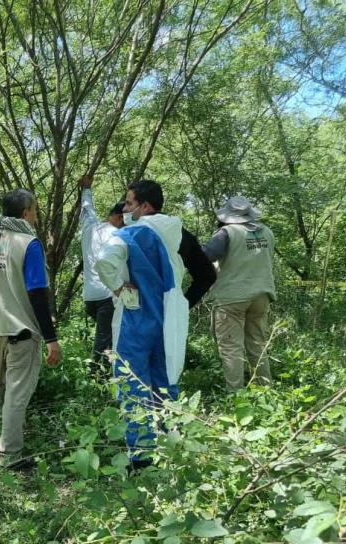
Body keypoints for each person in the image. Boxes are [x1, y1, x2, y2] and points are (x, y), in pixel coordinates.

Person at [95, 179, 215, 470]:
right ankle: (170, 448)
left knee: (133, 385)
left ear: (145, 206)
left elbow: (104, 261)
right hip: (169, 323)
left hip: (134, 322)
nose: (124, 209)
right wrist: (182, 303)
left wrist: (120, 288)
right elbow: (207, 276)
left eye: (128, 203)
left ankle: (141, 458)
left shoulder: (129, 234)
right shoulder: (180, 234)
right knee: (166, 383)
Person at [0, 188, 62, 470]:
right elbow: (37, 293)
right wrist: (51, 339)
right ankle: (10, 455)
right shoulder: (28, 243)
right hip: (21, 330)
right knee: (17, 392)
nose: (36, 216)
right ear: (25, 213)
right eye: (35, 210)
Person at [202, 196, 276, 391]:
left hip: (232, 298)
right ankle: (265, 391)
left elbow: (207, 256)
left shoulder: (226, 233)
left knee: (231, 347)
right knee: (257, 344)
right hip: (262, 294)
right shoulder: (266, 232)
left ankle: (235, 395)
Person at [78, 174, 125, 376]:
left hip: (89, 297)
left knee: (108, 337)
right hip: (107, 297)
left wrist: (86, 189)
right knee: (104, 340)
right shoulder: (118, 235)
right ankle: (96, 378)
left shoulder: (90, 227)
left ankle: (108, 374)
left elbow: (87, 208)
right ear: (120, 217)